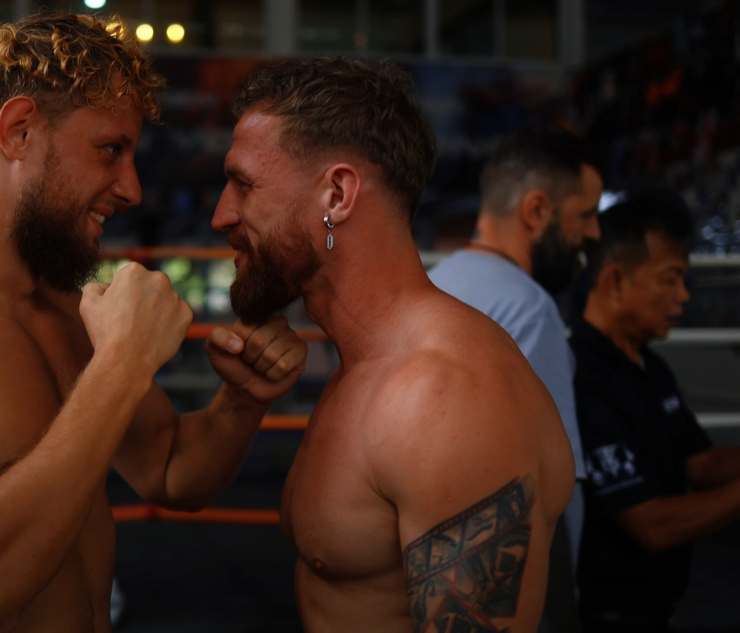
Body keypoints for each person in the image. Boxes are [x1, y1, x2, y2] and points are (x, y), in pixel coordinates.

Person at [0, 11, 307, 632]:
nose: (132, 189)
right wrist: (122, 362)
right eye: (111, 151)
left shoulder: (66, 304)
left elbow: (172, 468)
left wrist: (242, 401)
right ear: (19, 130)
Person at [212, 56, 575, 632]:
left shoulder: (446, 400)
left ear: (337, 194)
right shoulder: (367, 365)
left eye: (244, 184)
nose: (221, 215)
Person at [428, 125, 603, 631]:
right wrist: (563, 615)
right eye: (585, 214)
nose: (593, 233)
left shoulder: (437, 283)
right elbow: (552, 488)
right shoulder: (530, 310)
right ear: (537, 211)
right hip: (505, 588)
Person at [573, 189, 740, 633]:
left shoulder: (650, 366)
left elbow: (700, 462)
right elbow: (650, 525)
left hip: (661, 609)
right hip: (605, 618)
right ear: (615, 281)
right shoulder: (583, 377)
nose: (683, 296)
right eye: (670, 279)